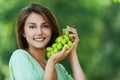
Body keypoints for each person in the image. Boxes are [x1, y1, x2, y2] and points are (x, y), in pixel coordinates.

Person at [9, 3, 86, 80]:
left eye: (45, 26)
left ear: (52, 30)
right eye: (32, 27)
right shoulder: (20, 57)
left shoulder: (59, 68)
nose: (39, 32)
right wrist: (51, 63)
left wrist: (72, 52)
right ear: (23, 32)